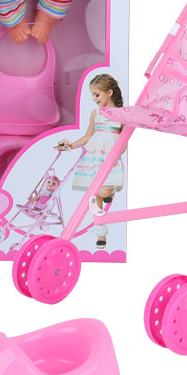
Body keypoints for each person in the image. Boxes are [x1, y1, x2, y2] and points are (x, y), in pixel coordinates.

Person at [56, 74, 124, 249]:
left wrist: (115, 156)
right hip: (93, 159)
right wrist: (70, 146)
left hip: (110, 159)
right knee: (94, 198)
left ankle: (108, 193)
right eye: (92, 95)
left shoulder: (122, 115)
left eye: (97, 94)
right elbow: (87, 137)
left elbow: (124, 142)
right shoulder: (95, 114)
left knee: (103, 190)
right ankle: (101, 234)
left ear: (109, 92)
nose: (94, 99)